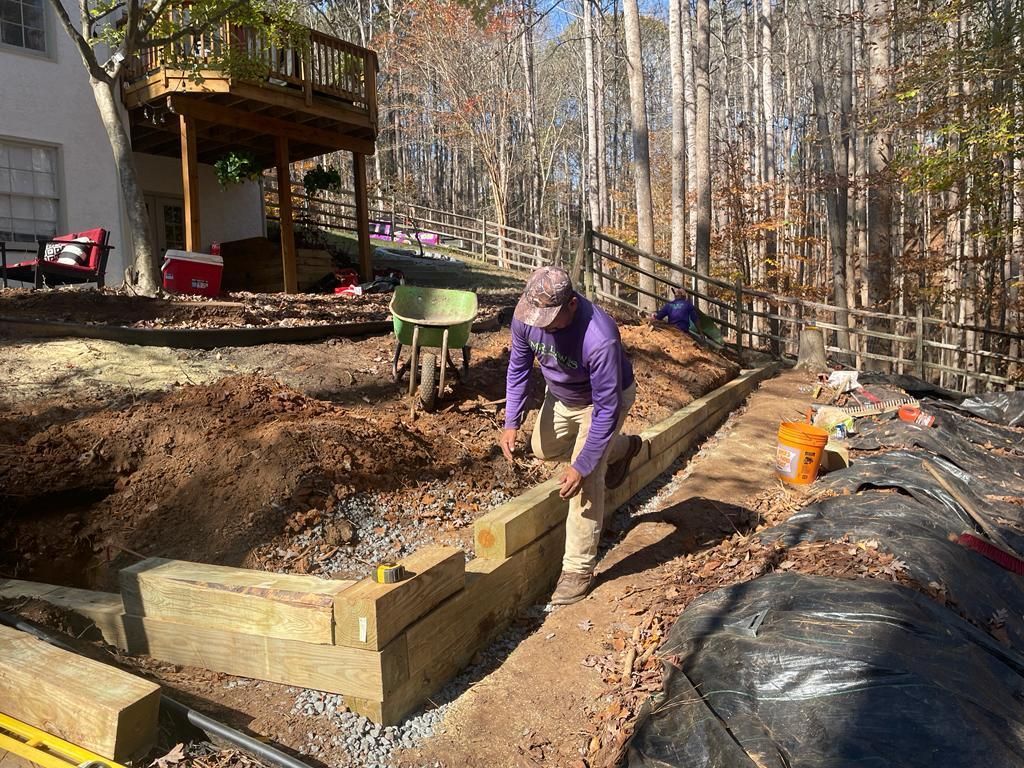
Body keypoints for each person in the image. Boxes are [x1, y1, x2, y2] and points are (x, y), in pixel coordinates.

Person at [500, 266, 644, 605]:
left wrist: (582, 466)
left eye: (550, 319)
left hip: (600, 402)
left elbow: (607, 410)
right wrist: (511, 421)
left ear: (572, 305)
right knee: (543, 448)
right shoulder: (527, 317)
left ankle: (577, 570)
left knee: (586, 481)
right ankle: (622, 450)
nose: (542, 325)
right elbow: (519, 368)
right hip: (562, 396)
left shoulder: (600, 336)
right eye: (537, 319)